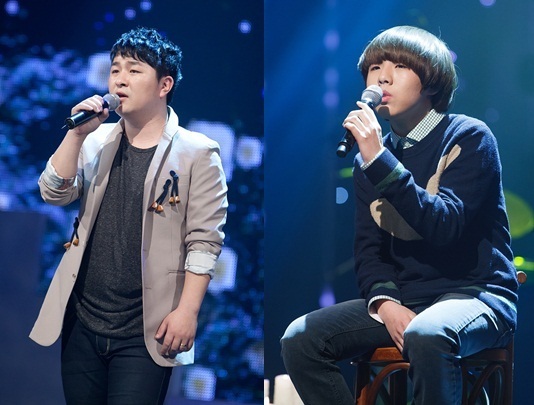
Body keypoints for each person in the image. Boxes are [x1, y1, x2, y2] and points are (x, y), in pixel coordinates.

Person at [280, 25, 519, 405]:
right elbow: (369, 252)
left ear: (431, 81)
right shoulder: (368, 163)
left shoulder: (469, 136)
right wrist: (386, 305)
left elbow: (445, 227)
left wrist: (379, 159)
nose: (383, 77)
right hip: (407, 301)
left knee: (428, 333)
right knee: (301, 338)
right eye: (375, 68)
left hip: (476, 295)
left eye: (399, 67)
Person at [30, 27, 228, 404]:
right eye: (115, 69)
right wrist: (75, 134)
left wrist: (187, 311)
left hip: (146, 329)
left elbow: (205, 241)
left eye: (134, 70)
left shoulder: (198, 152)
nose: (120, 79)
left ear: (164, 84)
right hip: (82, 320)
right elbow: (53, 193)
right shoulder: (95, 140)